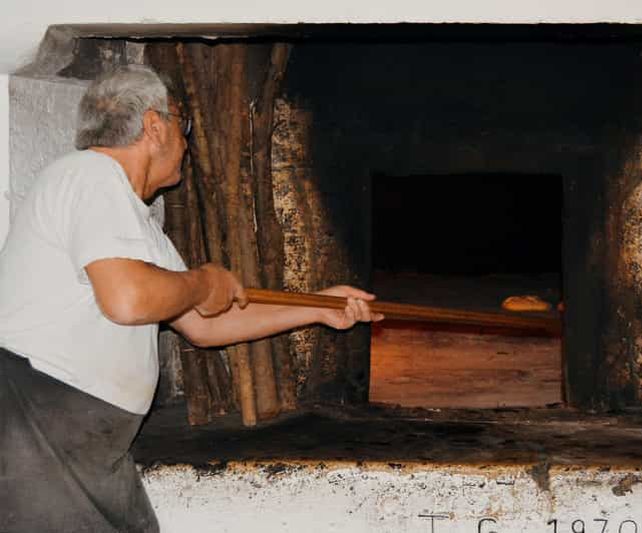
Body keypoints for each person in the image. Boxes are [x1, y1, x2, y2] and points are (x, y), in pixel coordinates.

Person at [0, 64, 382, 533]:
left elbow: (205, 325)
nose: (186, 143)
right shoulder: (90, 175)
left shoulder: (136, 225)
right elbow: (127, 300)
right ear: (154, 127)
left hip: (83, 438)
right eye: (182, 128)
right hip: (38, 421)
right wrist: (202, 281)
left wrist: (319, 307)